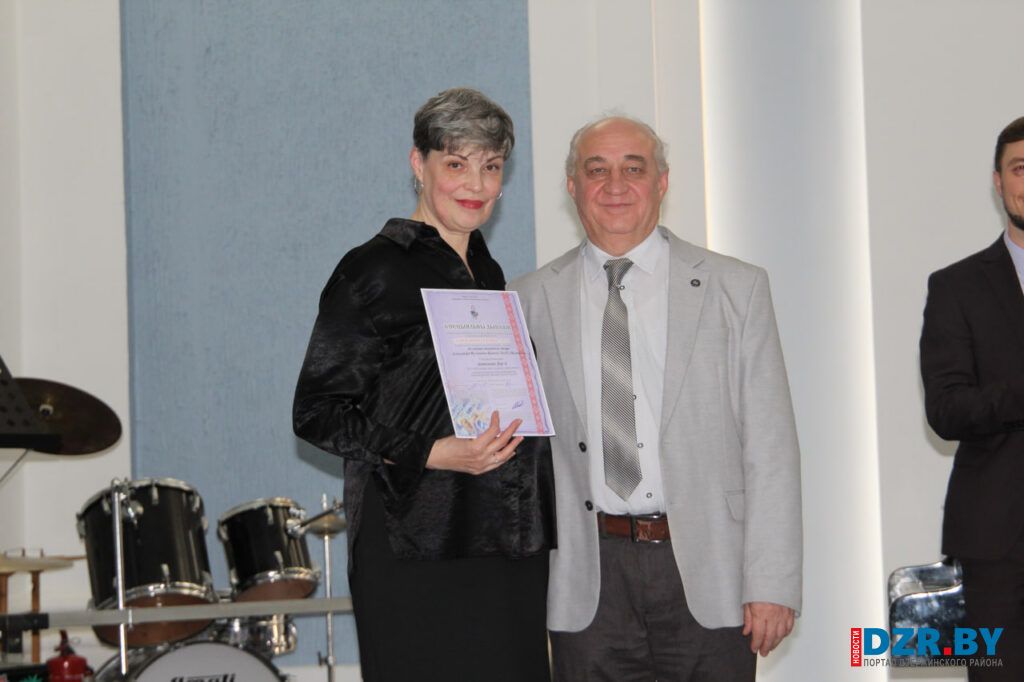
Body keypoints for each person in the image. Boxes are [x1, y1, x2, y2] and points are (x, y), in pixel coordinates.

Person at [508, 116, 802, 681]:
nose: (615, 185)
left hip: (708, 571)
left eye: (633, 168)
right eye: (597, 170)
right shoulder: (526, 299)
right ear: (572, 186)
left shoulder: (735, 288)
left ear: (662, 182)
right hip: (586, 576)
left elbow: (772, 446)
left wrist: (772, 581)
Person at [293, 87, 555, 682]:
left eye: (491, 166)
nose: (477, 184)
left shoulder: (485, 271)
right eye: (456, 164)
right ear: (419, 163)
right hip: (418, 544)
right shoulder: (371, 270)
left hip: (508, 538)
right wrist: (432, 452)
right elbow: (316, 412)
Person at [920, 115, 1024, 681]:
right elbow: (946, 409)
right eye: (1020, 168)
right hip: (997, 550)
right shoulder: (956, 287)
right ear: (997, 180)